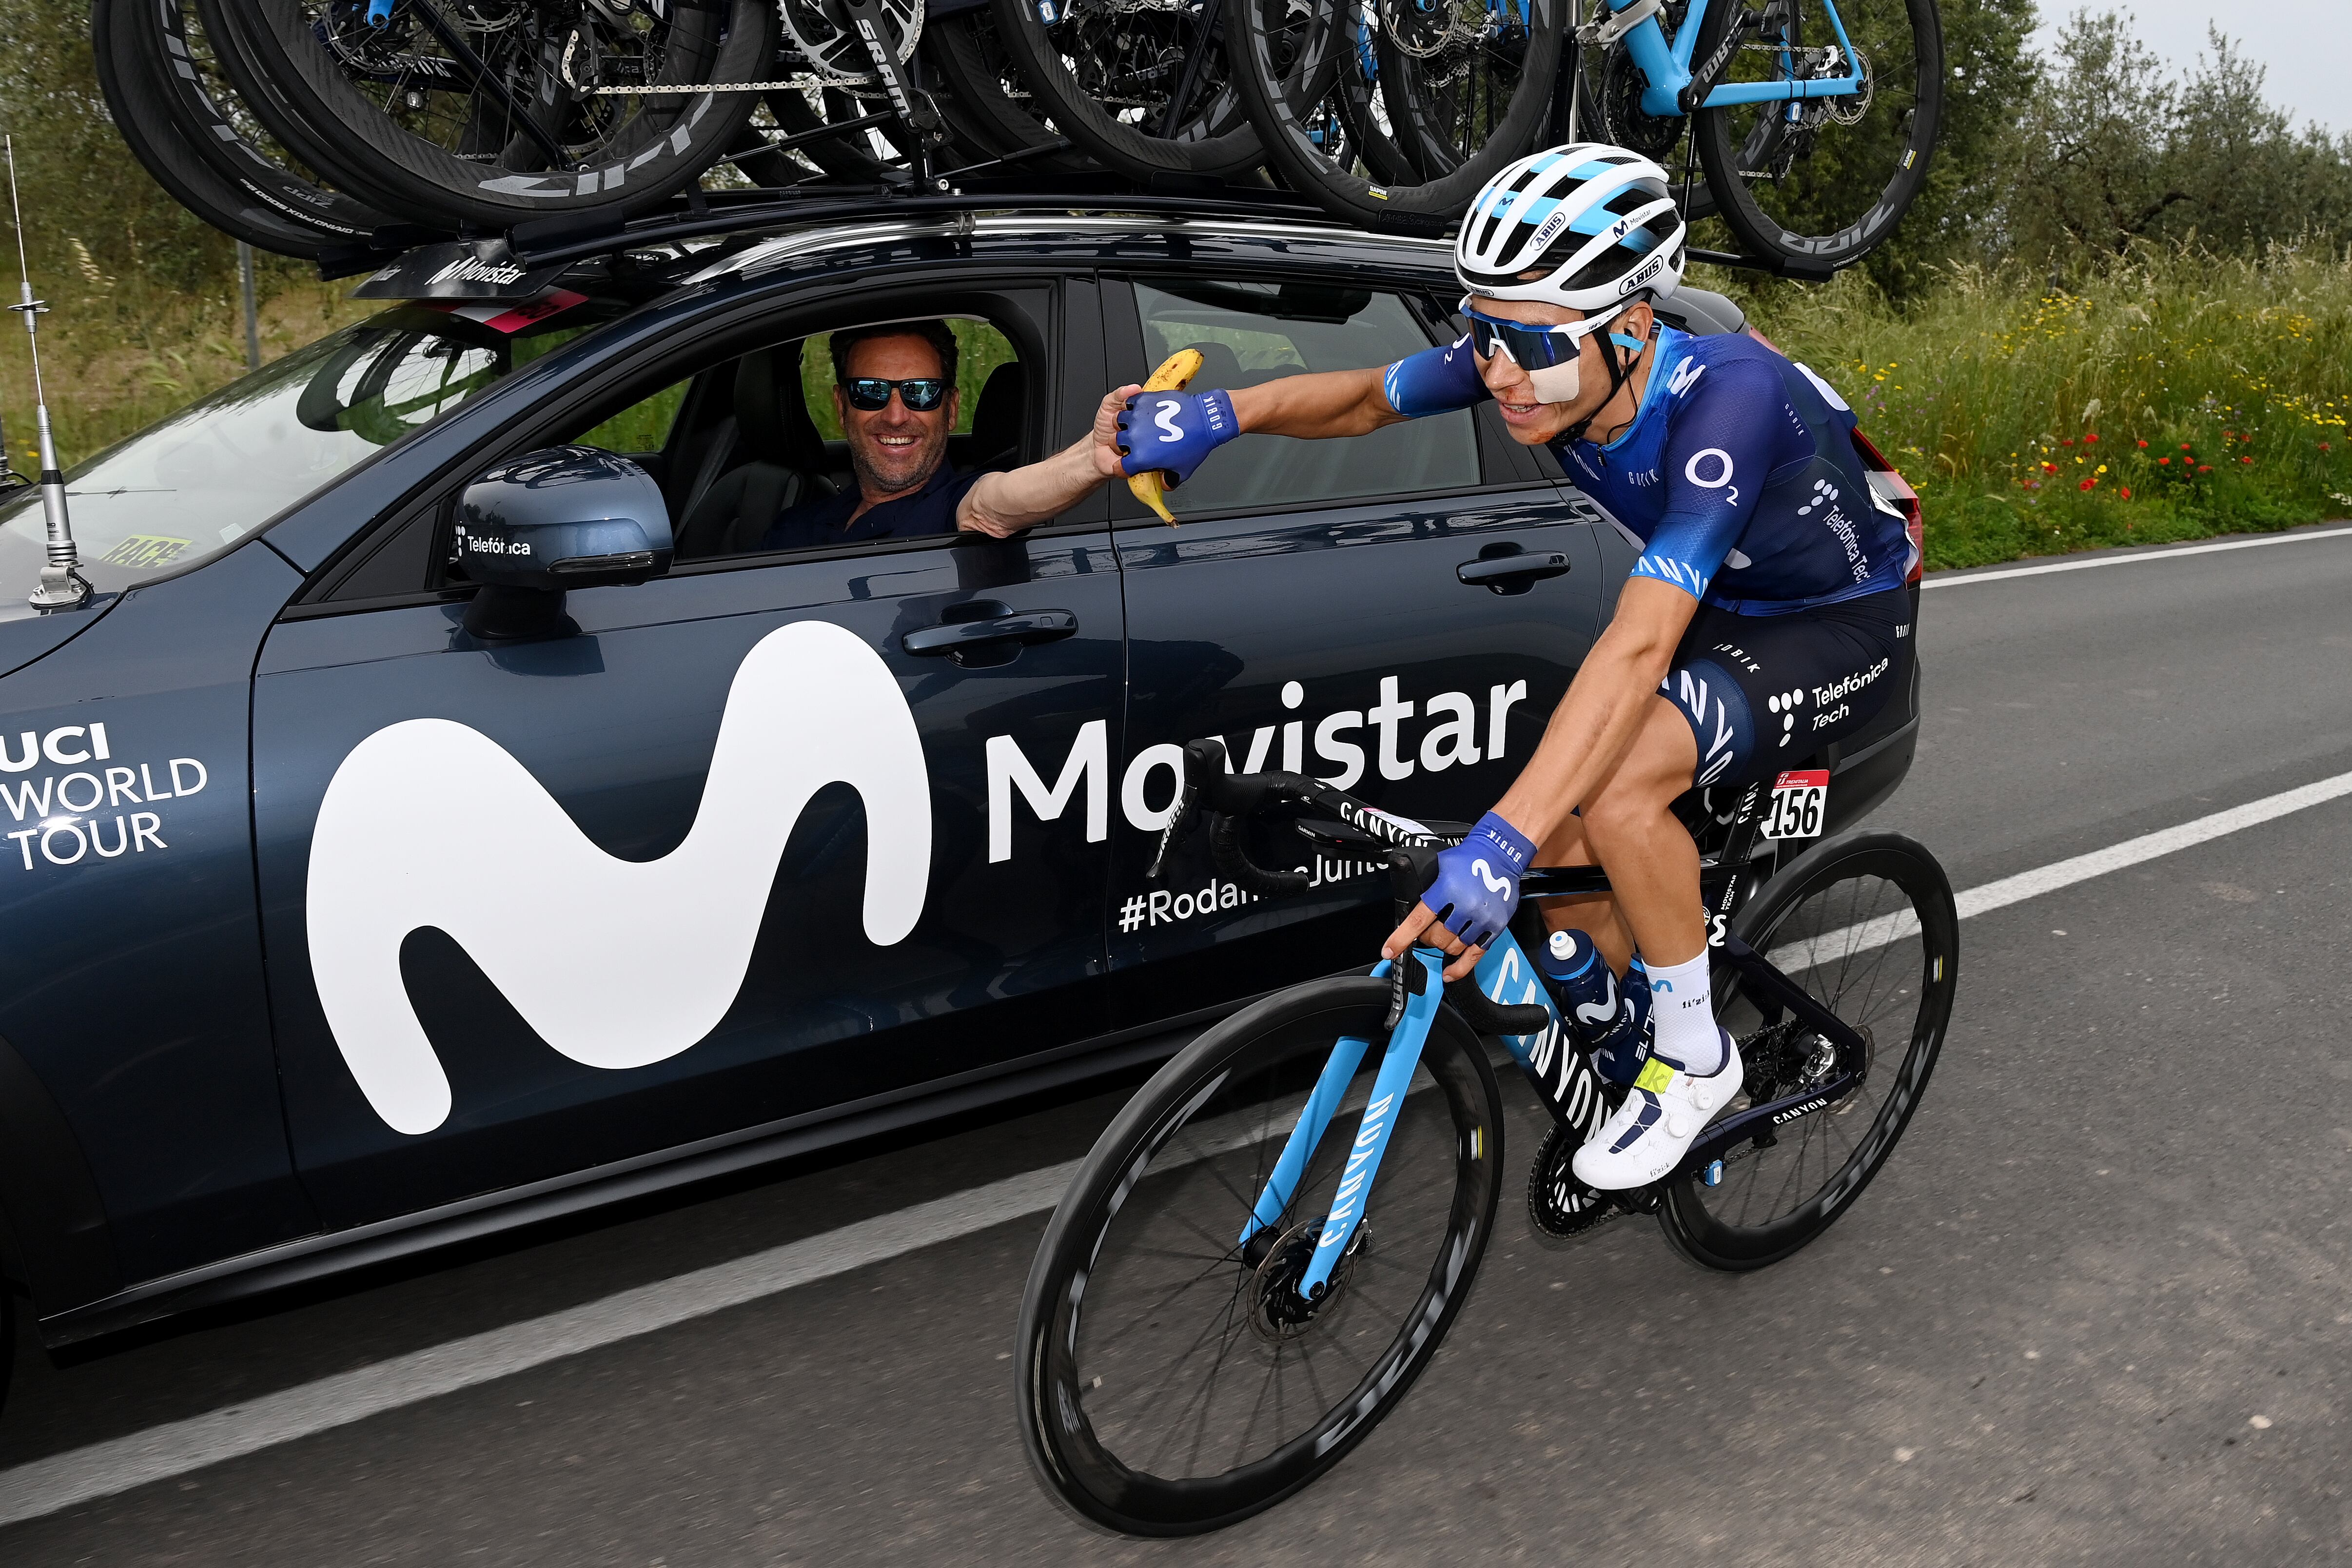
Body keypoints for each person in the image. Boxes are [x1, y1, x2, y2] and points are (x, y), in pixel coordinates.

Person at [1102, 143, 1918, 1190]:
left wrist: (1496, 843)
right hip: (1732, 608)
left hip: (1838, 622)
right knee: (1568, 868)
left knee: (1616, 789)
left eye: (1527, 345)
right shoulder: (1540, 361)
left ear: (1631, 326)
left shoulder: (1730, 401)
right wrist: (1222, 415)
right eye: (1481, 334)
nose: (1499, 373)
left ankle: (1696, 1058)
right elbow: (1362, 400)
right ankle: (1626, 1047)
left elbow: (1636, 645)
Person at [761, 318, 1127, 549]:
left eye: (921, 392)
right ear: (842, 406)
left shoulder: (954, 507)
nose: (895, 416)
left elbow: (995, 503)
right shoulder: (793, 526)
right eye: (870, 391)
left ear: (950, 409)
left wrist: (1091, 460)